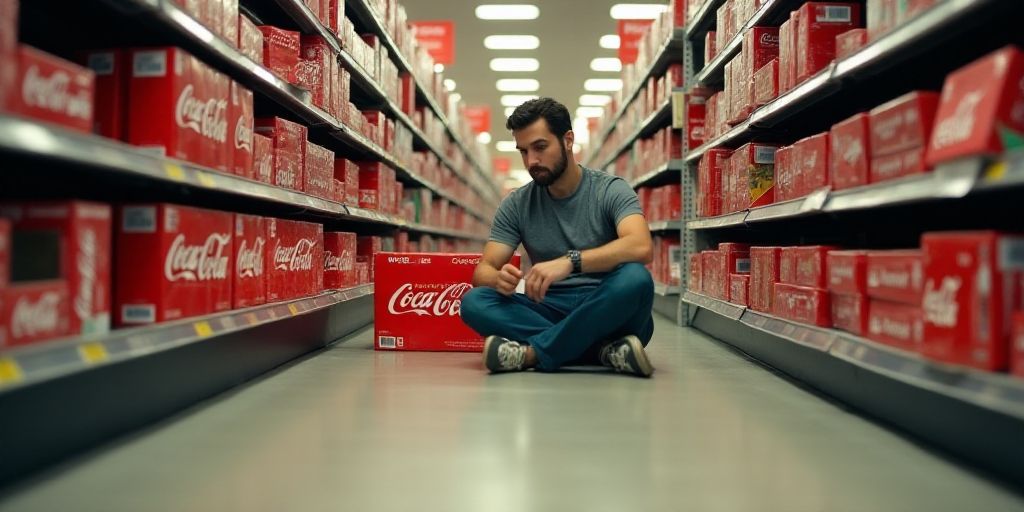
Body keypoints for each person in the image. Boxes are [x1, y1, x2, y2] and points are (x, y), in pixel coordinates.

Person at [460, 97, 656, 377]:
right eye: (523, 151)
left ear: (567, 140)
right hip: (548, 307)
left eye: (540, 147)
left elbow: (640, 246)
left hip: (606, 306)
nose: (532, 161)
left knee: (636, 278)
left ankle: (531, 353)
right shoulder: (517, 203)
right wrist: (497, 279)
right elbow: (483, 272)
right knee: (475, 302)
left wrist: (571, 261)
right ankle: (602, 351)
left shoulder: (610, 189)